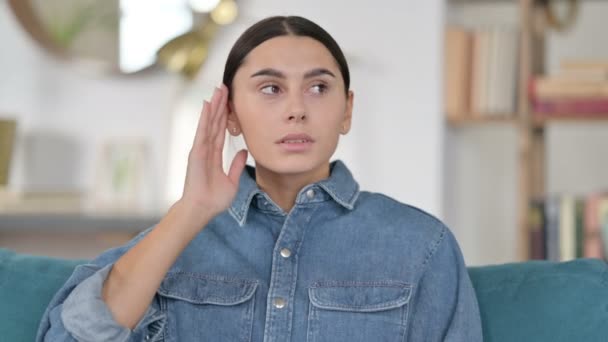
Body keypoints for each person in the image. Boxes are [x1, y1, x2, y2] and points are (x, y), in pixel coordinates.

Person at [36, 15, 482, 342]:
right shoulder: (174, 241)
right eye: (270, 88)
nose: (296, 108)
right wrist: (190, 210)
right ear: (229, 114)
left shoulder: (422, 245)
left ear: (347, 111)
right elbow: (71, 338)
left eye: (318, 87)